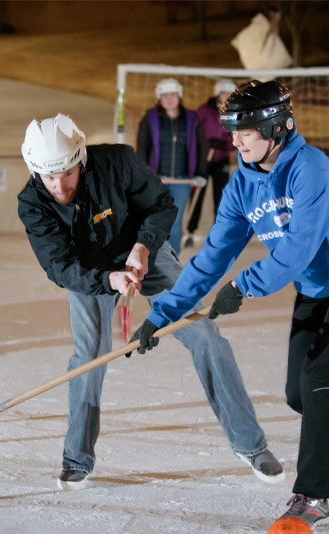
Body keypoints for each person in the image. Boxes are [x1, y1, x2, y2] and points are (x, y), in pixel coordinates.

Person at [131, 80, 329, 526]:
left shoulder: (313, 171)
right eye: (232, 131)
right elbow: (212, 258)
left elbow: (298, 249)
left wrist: (245, 286)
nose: (233, 140)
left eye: (244, 132)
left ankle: (313, 494)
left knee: (316, 378)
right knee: (299, 395)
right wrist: (162, 314)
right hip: (314, 287)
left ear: (276, 128)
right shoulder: (240, 185)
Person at [17, 113, 284, 491]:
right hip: (89, 272)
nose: (59, 185)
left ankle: (251, 444)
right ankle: (77, 456)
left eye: (67, 173)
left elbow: (161, 205)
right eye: (48, 177)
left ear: (81, 160)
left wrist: (143, 248)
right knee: (89, 357)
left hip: (146, 254)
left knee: (203, 334)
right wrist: (108, 278)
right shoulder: (32, 203)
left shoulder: (119, 162)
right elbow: (58, 265)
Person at [135, 78, 208, 253]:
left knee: (175, 222)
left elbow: (201, 147)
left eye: (173, 94)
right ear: (159, 98)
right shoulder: (149, 119)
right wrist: (143, 175)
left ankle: (173, 257)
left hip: (183, 180)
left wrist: (201, 173)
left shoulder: (191, 119)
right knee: (155, 219)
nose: (169, 99)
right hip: (157, 180)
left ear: (179, 96)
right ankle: (154, 256)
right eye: (165, 95)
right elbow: (142, 148)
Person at [183, 79, 238, 249]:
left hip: (221, 159)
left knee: (220, 196)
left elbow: (236, 137)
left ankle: (218, 233)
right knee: (198, 193)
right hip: (203, 159)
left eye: (229, 94)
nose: (225, 96)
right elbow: (194, 131)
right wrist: (205, 144)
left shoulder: (234, 113)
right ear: (217, 93)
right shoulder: (204, 110)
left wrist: (225, 145)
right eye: (223, 93)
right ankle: (189, 230)